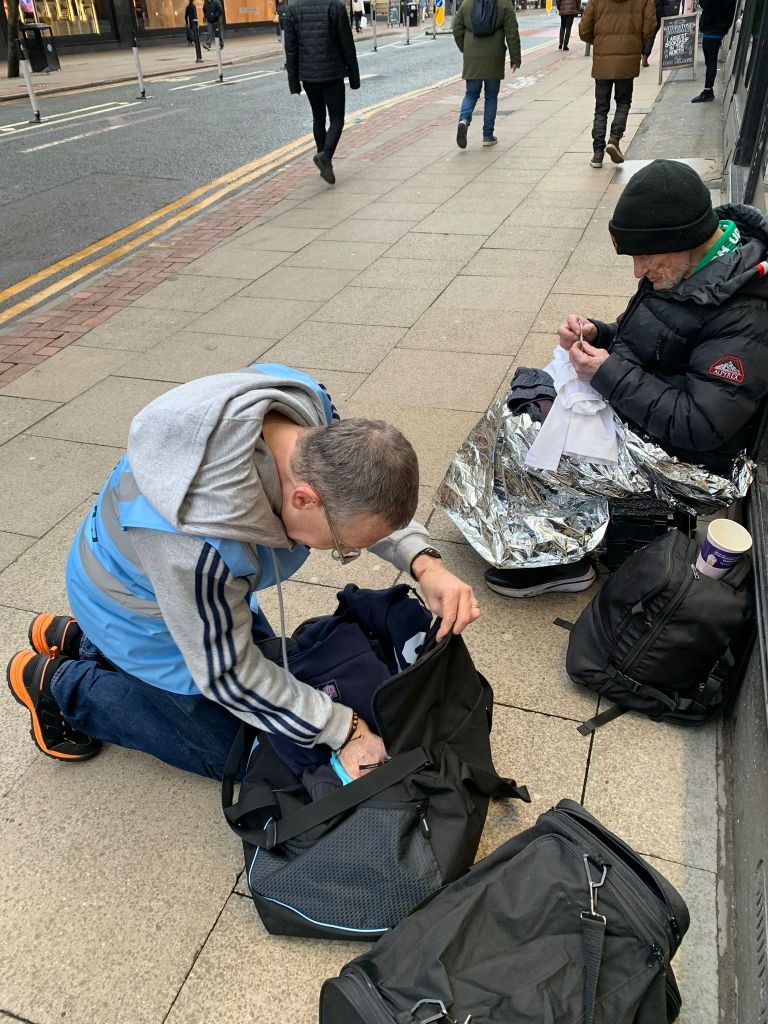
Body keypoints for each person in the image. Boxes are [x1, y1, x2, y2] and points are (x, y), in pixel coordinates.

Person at [6, 365, 480, 781]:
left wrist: (423, 562)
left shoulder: (302, 413)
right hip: (134, 611)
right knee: (232, 752)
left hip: (146, 578)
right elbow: (228, 674)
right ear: (303, 499)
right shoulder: (195, 547)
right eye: (343, 547)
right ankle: (56, 686)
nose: (345, 552)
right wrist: (345, 731)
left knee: (277, 700)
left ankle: (79, 640)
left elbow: (359, 494)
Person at [483, 160, 768, 598]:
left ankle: (563, 559)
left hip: (690, 460)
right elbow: (657, 342)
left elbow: (703, 424)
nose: (638, 272)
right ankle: (536, 533)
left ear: (682, 240)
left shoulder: (744, 312)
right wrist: (600, 334)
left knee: (533, 430)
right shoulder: (689, 267)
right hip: (648, 411)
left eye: (645, 258)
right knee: (528, 398)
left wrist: (608, 373)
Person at [284, 0, 360, 185]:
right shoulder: (335, 6)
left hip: (309, 75)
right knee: (336, 118)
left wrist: (294, 82)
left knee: (318, 117)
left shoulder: (293, 9)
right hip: (332, 73)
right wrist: (354, 76)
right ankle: (325, 156)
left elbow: (291, 49)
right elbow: (346, 44)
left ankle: (324, 162)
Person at [579, 0, 656, 167]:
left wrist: (600, 41)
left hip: (603, 60)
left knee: (601, 108)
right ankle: (614, 138)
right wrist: (635, 42)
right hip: (627, 57)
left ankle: (597, 154)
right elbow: (650, 26)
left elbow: (584, 29)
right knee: (623, 101)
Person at [453, 0, 521, 149]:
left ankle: (463, 121)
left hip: (473, 57)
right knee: (491, 96)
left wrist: (465, 49)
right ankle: (488, 136)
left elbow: (456, 28)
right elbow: (512, 32)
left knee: (471, 94)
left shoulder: (467, 3)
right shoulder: (504, 4)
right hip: (494, 56)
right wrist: (515, 58)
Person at [691, 0, 737, 102]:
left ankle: (708, 91)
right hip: (717, 28)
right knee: (710, 61)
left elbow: (708, 4)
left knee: (710, 61)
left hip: (713, 28)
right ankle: (708, 90)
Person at [640, 0, 664, 66]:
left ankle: (643, 54)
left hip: (642, 15)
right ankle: (645, 56)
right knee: (651, 36)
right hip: (657, 14)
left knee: (641, 36)